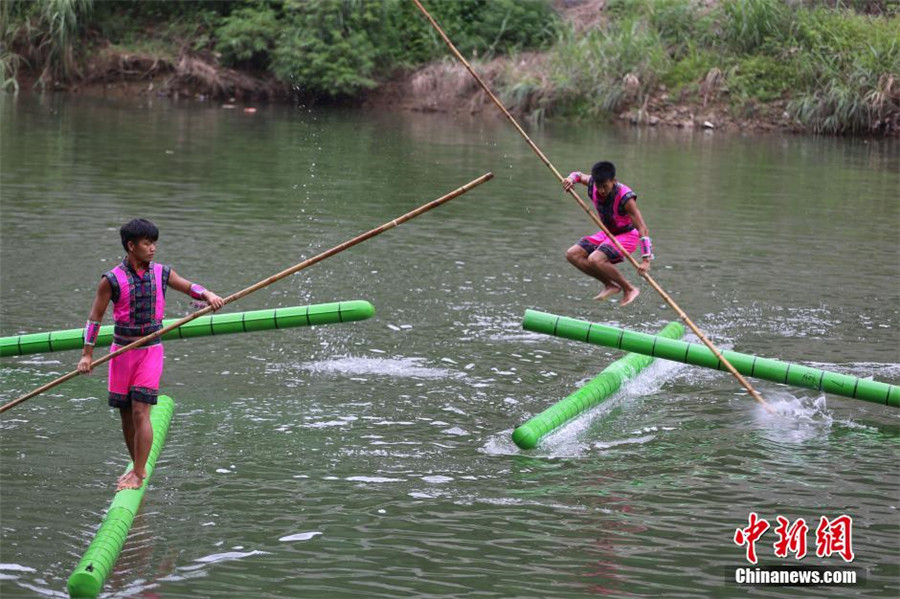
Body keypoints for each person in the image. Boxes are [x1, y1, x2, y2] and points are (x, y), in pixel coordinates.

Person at [77, 219, 224, 491]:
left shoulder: (162, 272)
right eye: (147, 243)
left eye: (154, 242)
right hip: (121, 352)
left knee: (140, 412)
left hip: (150, 350)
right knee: (125, 414)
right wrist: (87, 355)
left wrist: (208, 294)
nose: (153, 248)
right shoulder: (110, 280)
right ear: (131, 246)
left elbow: (189, 286)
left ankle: (139, 472)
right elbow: (94, 319)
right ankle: (136, 465)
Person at [563, 161, 653, 307]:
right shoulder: (592, 183)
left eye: (605, 186)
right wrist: (570, 179)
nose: (601, 190)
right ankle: (610, 285)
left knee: (595, 259)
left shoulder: (626, 197)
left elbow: (643, 228)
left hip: (627, 236)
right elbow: (578, 175)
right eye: (598, 186)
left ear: (613, 181)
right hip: (607, 233)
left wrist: (646, 260)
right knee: (572, 254)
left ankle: (629, 288)